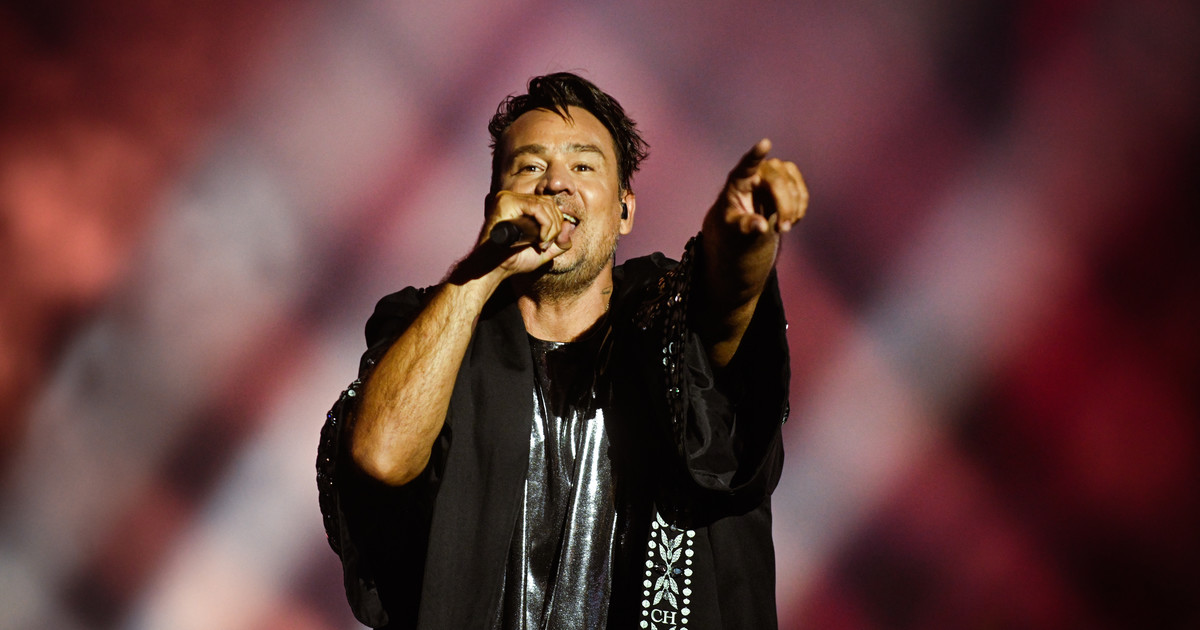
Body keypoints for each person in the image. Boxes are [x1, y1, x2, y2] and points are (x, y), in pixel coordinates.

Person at [317, 72, 807, 630]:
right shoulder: (435, 328)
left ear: (624, 210)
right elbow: (381, 456)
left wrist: (742, 239)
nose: (555, 183)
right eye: (530, 167)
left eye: (583, 166)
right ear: (494, 204)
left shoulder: (664, 320)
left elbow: (724, 306)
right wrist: (480, 273)